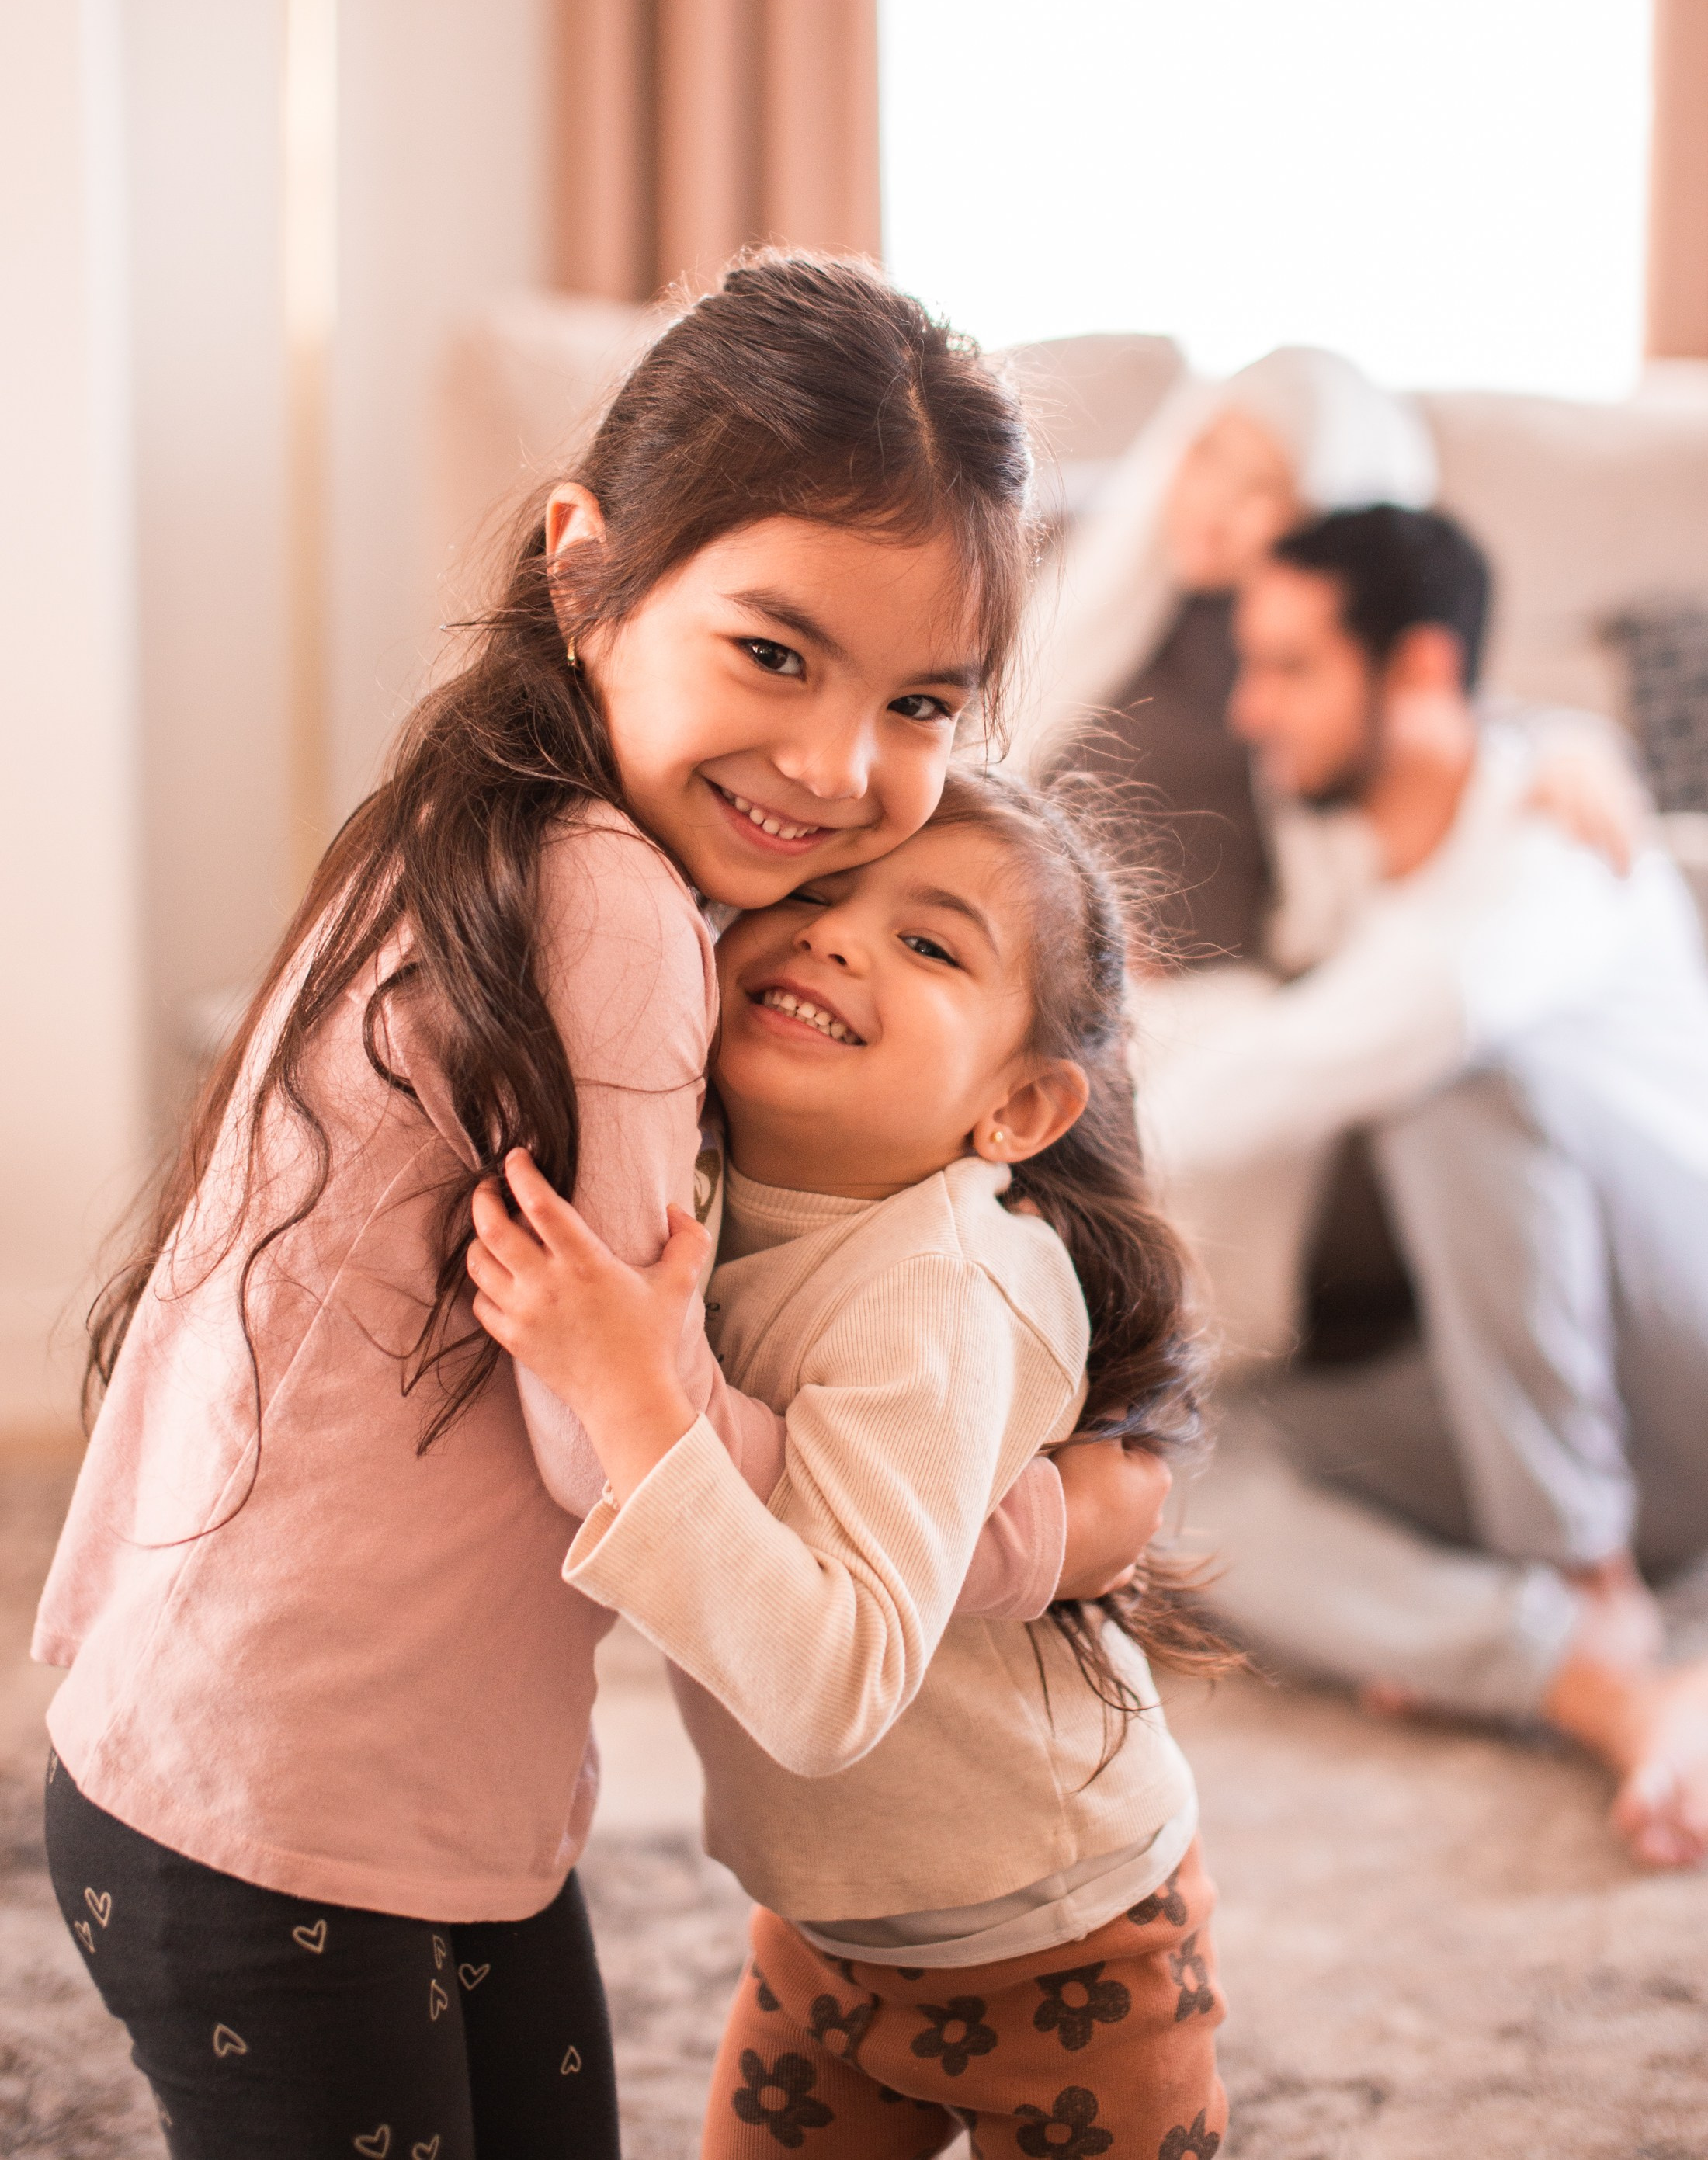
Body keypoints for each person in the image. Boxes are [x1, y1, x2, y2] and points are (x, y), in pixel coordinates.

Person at [33, 255, 1155, 2160]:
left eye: (922, 702)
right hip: (300, 1821)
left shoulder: (468, 808)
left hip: (298, 1760)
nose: (835, 766)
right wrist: (1026, 1521)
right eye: (775, 653)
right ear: (586, 569)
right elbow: (607, 1434)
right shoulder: (614, 908)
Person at [467, 768, 1232, 2160]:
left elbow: (830, 1687)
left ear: (1018, 1108)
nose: (833, 936)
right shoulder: (684, 1178)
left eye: (930, 944)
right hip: (827, 1934)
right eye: (813, 892)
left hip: (1067, 1947)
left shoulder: (945, 1290)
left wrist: (631, 1395)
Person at [1141, 504, 1708, 1869]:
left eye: (1290, 668)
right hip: (1543, 1398)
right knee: (1164, 1473)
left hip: (1685, 1353)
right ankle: (1561, 1666)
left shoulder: (1549, 852)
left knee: (1453, 1077)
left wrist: (1055, 1138)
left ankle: (1587, 1579)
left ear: (1420, 677)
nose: (1254, 707)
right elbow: (1299, 1015)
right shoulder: (1373, 864)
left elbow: (1375, 1033)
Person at [1020, 344, 1439, 961]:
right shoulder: (1074, 544)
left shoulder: (1305, 653)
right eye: (1209, 456)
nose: (1214, 506)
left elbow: (1435, 715)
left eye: (1263, 490)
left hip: (1196, 984)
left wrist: (1563, 748)